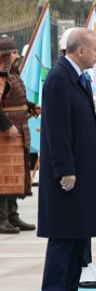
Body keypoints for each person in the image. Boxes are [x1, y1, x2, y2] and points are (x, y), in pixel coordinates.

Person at [37, 28, 96, 291]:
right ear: (80, 50)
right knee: (63, 235)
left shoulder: (78, 77)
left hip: (82, 171)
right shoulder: (58, 78)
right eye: (94, 49)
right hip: (67, 175)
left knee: (79, 233)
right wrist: (65, 170)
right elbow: (56, 129)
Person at [0, 36, 38, 234]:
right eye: (13, 53)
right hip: (6, 136)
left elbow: (16, 101)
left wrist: (31, 107)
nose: (17, 56)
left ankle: (12, 215)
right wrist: (6, 126)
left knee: (15, 175)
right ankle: (1, 217)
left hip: (19, 131)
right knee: (4, 176)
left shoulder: (14, 76)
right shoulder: (1, 76)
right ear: (4, 56)